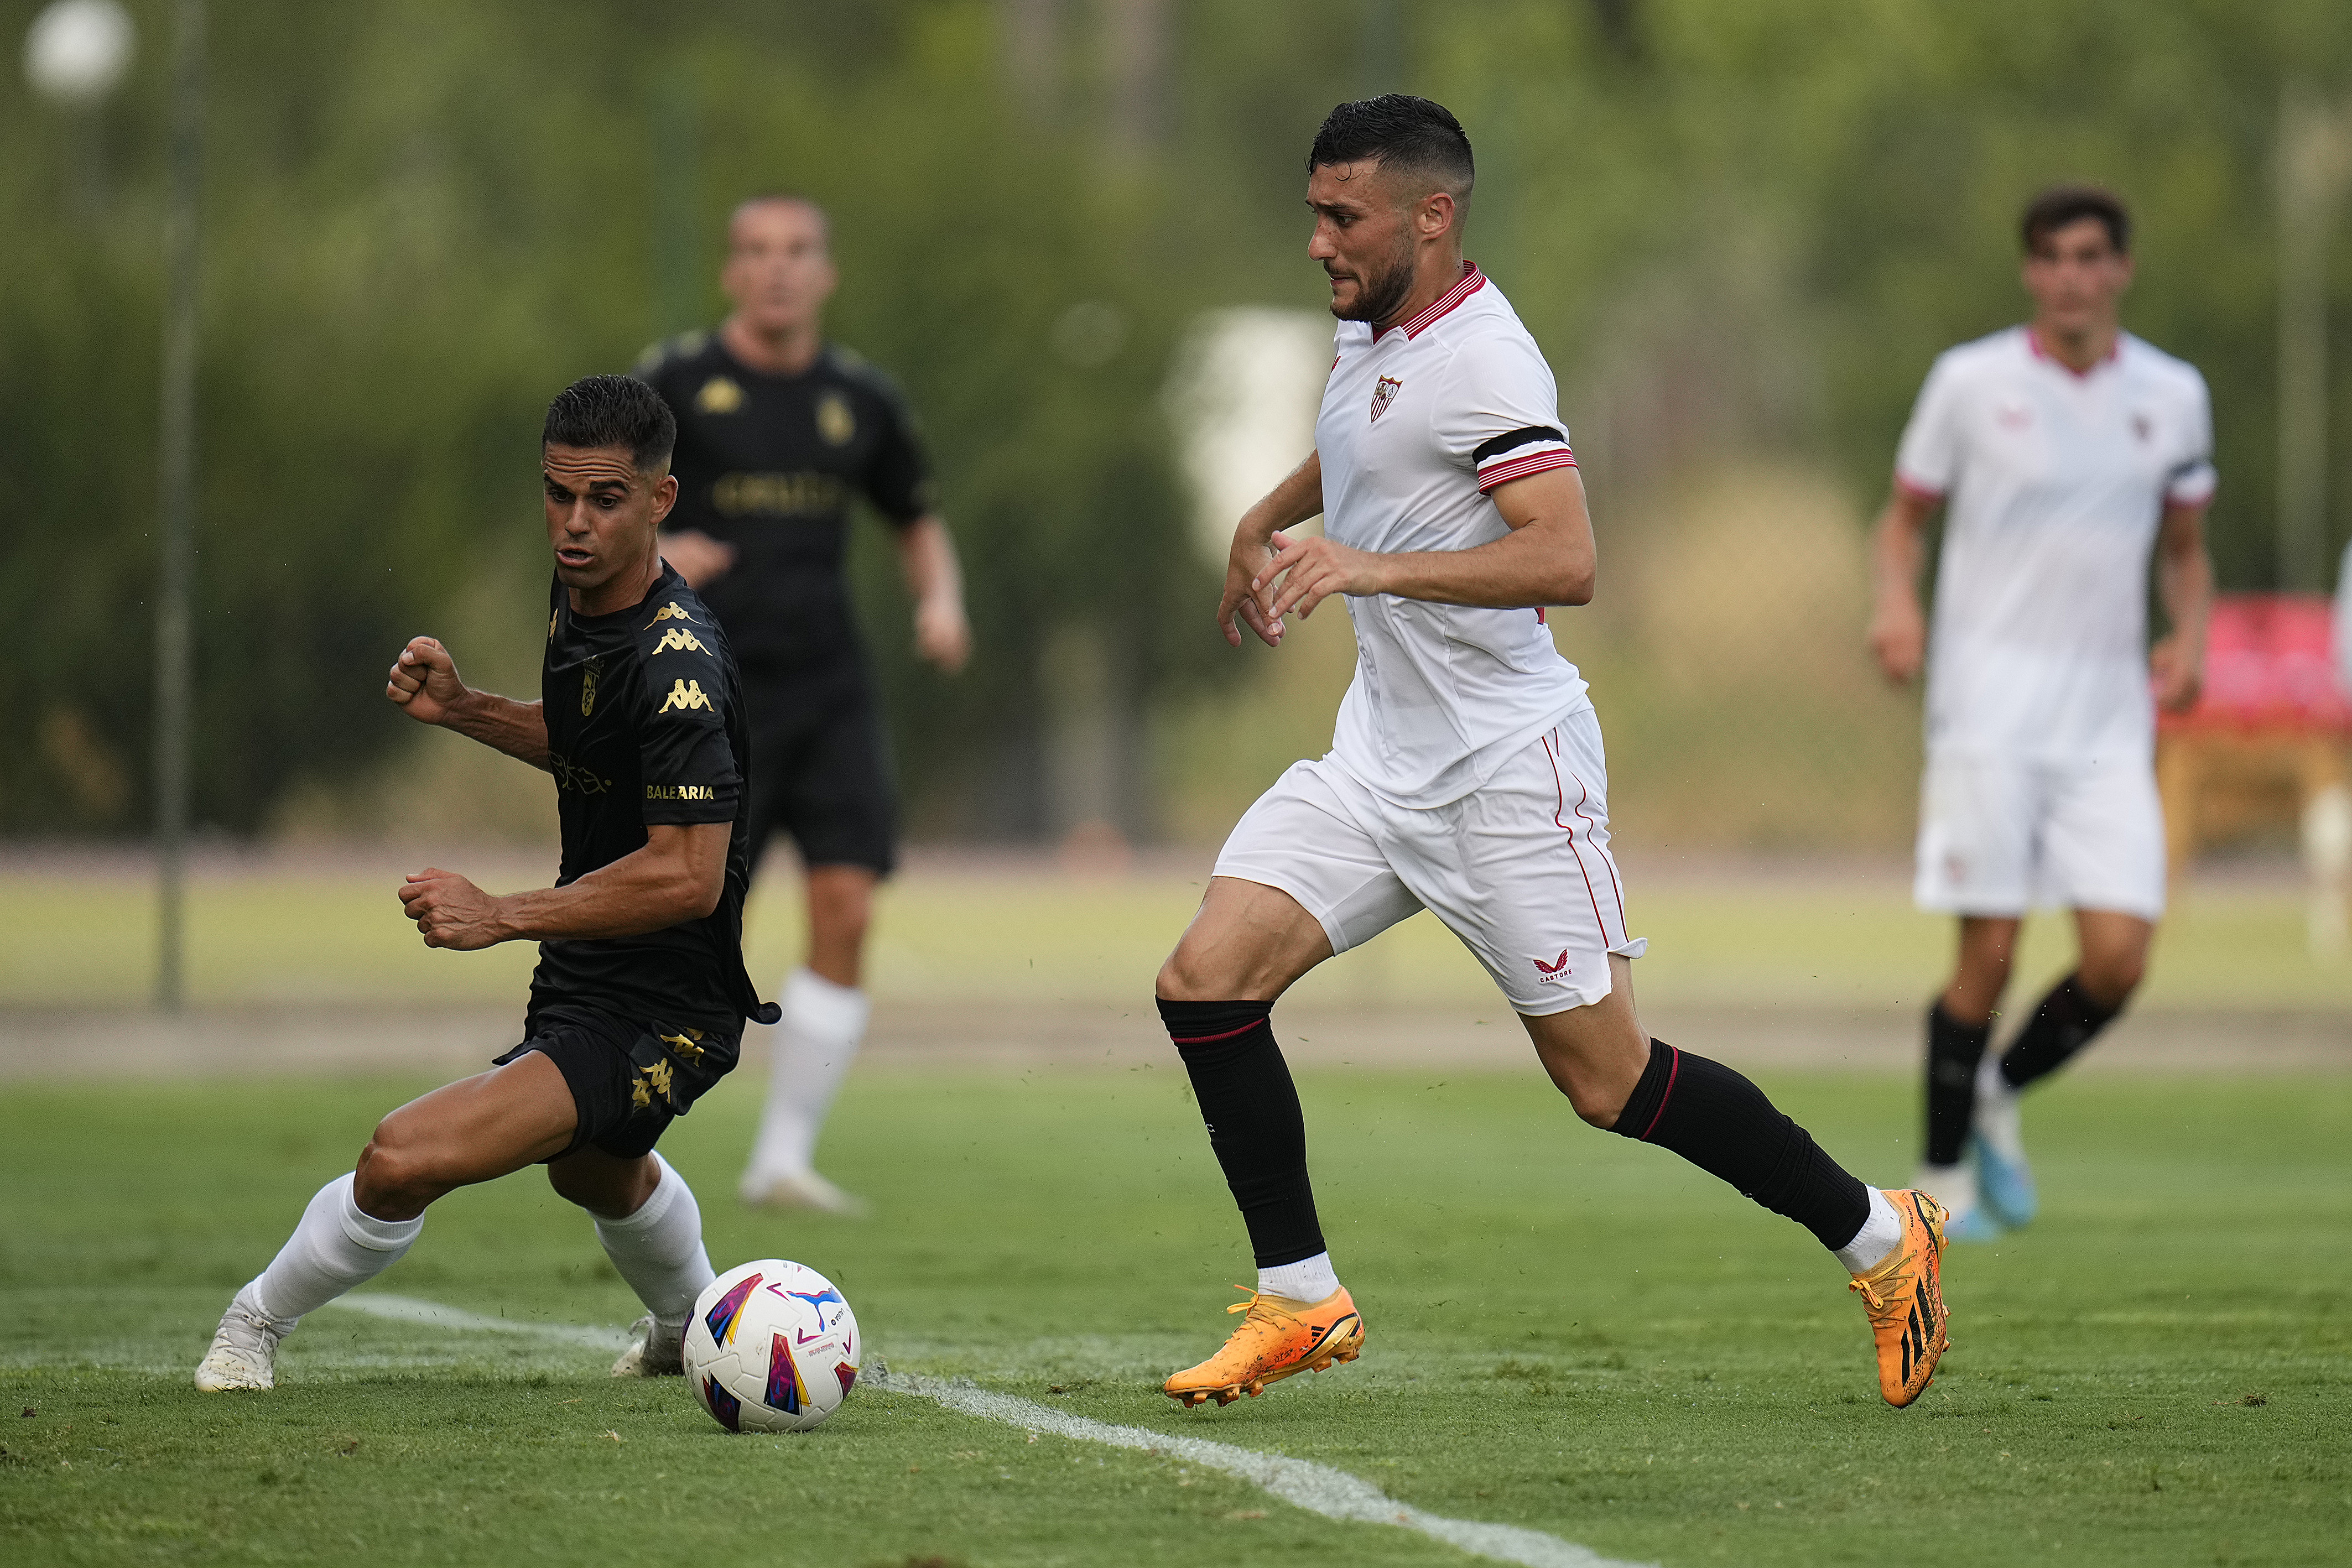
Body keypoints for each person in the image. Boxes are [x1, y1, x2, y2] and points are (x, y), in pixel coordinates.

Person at [1153, 96, 1951, 1413]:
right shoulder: (1374, 326)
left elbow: (1566, 556)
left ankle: (1879, 1233)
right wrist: (1264, 512)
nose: (1315, 241)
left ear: (1432, 214)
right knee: (1203, 980)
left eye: (1339, 216)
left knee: (1607, 1078)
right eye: (1311, 212)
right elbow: (1368, 442)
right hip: (1377, 762)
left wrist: (1361, 564)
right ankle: (1301, 1295)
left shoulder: (1489, 360)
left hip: (1504, 770)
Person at [194, 375, 777, 1392]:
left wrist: (499, 913)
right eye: (558, 495)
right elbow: (596, 746)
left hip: (661, 1001)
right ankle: (693, 1324)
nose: (575, 524)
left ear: (661, 501)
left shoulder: (679, 664)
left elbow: (687, 876)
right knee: (592, 1167)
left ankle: (251, 1327)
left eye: (604, 500)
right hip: (593, 968)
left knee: (402, 1156)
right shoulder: (585, 593)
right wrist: (467, 709)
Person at [1867, 186, 2215, 1239]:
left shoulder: (2173, 394)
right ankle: (1944, 1187)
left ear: (2121, 270)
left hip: (2108, 720)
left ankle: (1997, 1093)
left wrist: (2190, 636)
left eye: (2092, 257)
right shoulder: (1970, 384)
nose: (2073, 276)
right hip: (1987, 712)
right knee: (1991, 959)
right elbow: (1903, 523)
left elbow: (2188, 552)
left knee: (2119, 959)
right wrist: (1895, 605)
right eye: (2054, 258)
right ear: (2031, 272)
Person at [635, 194, 971, 1216]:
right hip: (706, 693)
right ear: (731, 272)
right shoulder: (675, 384)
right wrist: (656, 552)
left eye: (797, 252)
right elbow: (588, 508)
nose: (777, 269)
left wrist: (942, 599)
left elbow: (915, 517)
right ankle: (625, 1144)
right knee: (688, 921)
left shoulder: (858, 399)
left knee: (847, 905)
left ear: (826, 272)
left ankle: (781, 1158)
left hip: (829, 686)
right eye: (756, 252)